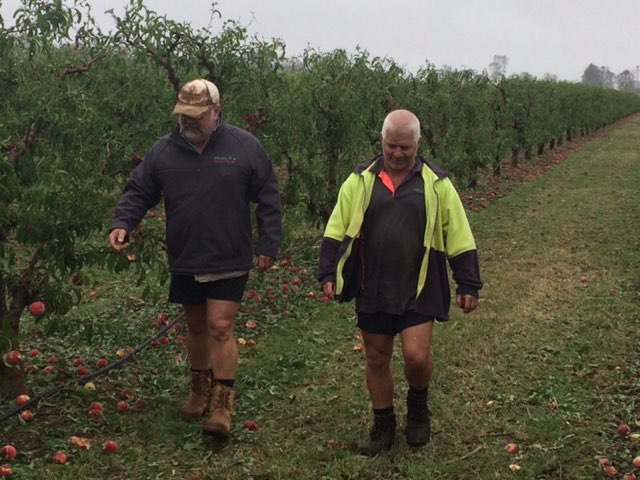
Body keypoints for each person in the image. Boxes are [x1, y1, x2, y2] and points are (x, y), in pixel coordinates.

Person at [109, 78, 282, 441]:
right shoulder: (164, 151)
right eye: (183, 115)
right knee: (197, 326)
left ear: (216, 112)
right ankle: (198, 389)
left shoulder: (243, 147)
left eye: (197, 116)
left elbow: (268, 193)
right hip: (186, 253)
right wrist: (124, 222)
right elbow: (140, 190)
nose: (188, 122)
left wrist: (268, 242)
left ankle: (222, 404)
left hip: (229, 253)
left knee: (220, 325)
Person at [318, 109, 481, 456]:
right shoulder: (360, 180)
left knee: (416, 356)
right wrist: (328, 271)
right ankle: (383, 423)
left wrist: (468, 282)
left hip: (419, 283)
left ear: (418, 144)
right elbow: (337, 226)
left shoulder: (437, 183)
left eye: (405, 147)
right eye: (392, 146)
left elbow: (459, 234)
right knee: (377, 358)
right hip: (372, 283)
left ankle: (418, 407)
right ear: (382, 141)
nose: (397, 153)